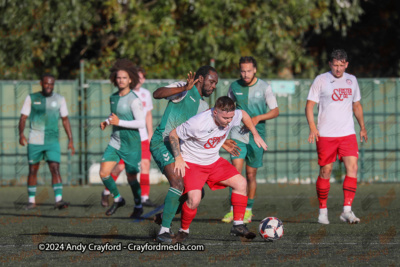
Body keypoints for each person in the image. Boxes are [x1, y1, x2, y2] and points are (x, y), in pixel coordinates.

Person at [169, 96, 268, 243]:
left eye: (231, 117)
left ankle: (238, 225)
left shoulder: (232, 116)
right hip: (193, 163)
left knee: (241, 183)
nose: (229, 121)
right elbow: (173, 134)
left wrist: (255, 134)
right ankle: (183, 230)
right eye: (225, 118)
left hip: (213, 161)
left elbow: (244, 115)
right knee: (194, 200)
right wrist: (178, 158)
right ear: (215, 112)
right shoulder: (198, 123)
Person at [150, 66, 219, 243]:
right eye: (211, 82)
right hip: (162, 142)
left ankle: (162, 217)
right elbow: (157, 94)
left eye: (216, 84)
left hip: (181, 150)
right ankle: (164, 231)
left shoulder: (204, 107)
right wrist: (184, 88)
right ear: (201, 79)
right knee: (178, 182)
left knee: (196, 192)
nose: (213, 86)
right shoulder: (182, 88)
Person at [305, 49, 368, 224]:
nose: (338, 69)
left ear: (346, 64)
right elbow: (309, 106)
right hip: (325, 135)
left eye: (341, 65)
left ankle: (346, 210)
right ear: (330, 64)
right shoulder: (321, 80)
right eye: (335, 65)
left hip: (347, 133)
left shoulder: (352, 80)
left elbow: (356, 105)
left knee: (353, 168)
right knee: (326, 171)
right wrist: (312, 127)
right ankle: (323, 211)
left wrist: (362, 127)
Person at [222, 56, 279, 224]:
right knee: (235, 173)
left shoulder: (265, 87)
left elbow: (275, 111)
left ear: (254, 70)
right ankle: (233, 210)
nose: (245, 74)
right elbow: (227, 109)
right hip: (237, 134)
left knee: (251, 174)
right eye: (242, 71)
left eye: (248, 71)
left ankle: (248, 210)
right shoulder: (234, 87)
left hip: (257, 136)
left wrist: (258, 118)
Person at [101, 67, 156, 208]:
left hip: (138, 139)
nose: (121, 80)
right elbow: (114, 116)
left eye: (142, 77)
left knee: (142, 167)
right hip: (120, 140)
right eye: (119, 77)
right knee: (118, 168)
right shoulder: (115, 96)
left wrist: (150, 133)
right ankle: (109, 191)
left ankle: (143, 198)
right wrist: (107, 122)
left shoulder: (143, 95)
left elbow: (146, 116)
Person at [19, 73, 75, 210]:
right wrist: (21, 134)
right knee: (33, 170)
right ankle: (31, 201)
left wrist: (70, 139)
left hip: (52, 141)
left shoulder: (60, 99)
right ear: (41, 83)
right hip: (35, 139)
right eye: (46, 83)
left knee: (55, 168)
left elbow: (65, 119)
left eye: (51, 84)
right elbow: (23, 118)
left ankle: (59, 200)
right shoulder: (31, 98)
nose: (49, 86)